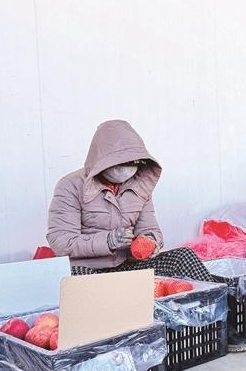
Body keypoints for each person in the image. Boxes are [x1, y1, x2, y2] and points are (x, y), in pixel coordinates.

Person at [47, 120, 214, 282]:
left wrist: (151, 242)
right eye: (121, 162)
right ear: (102, 160)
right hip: (89, 270)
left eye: (133, 162)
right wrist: (108, 241)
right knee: (73, 278)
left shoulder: (140, 185)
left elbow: (149, 229)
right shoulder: (71, 185)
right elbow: (61, 242)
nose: (128, 168)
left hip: (127, 267)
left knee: (183, 256)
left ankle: (218, 299)